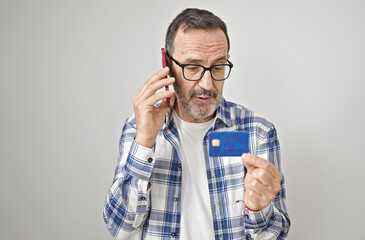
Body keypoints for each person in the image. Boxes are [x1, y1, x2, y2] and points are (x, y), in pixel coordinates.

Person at [103, 8, 290, 240]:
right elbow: (120, 229)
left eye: (218, 67)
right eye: (193, 67)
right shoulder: (137, 129)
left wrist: (258, 210)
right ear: (168, 65)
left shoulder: (258, 133)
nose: (207, 83)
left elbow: (275, 235)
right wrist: (145, 142)